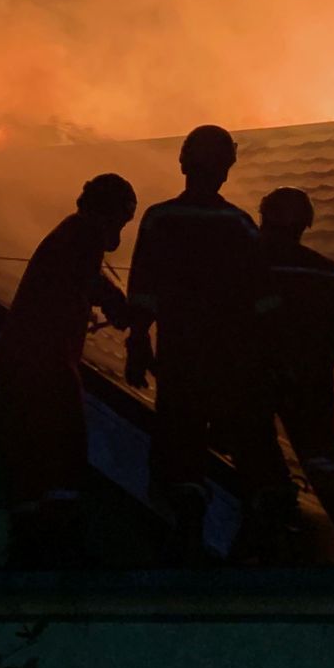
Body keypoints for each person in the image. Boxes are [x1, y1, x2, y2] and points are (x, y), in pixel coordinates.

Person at [125, 124, 287, 562]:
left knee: (181, 442)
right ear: (226, 169)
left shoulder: (161, 218)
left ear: (183, 163)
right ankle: (263, 540)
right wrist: (270, 360)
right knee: (246, 442)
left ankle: (188, 535)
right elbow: (264, 300)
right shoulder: (240, 225)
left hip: (180, 354)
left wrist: (138, 341)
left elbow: (143, 288)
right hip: (234, 359)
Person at [0, 172, 137, 565]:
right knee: (66, 444)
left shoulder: (68, 234)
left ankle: (28, 540)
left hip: (19, 362)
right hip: (46, 359)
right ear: (111, 213)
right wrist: (117, 303)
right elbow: (90, 279)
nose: (119, 232)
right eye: (122, 220)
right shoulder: (83, 233)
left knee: (31, 452)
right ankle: (61, 540)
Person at [256, 186, 334, 564]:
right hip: (313, 382)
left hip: (259, 374)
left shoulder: (249, 266)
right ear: (304, 225)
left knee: (255, 452)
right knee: (324, 463)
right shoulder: (326, 269)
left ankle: (266, 542)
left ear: (266, 219)